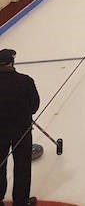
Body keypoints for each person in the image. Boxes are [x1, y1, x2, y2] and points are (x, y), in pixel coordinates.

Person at [0, 49, 40, 206]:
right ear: (12, 62)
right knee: (22, 165)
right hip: (21, 131)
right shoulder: (25, 81)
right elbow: (34, 106)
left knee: (0, 163)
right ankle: (21, 201)